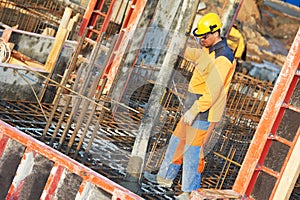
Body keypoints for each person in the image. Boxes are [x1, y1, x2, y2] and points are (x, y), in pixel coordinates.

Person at [144, 12, 236, 199]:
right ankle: (164, 179)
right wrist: (178, 46)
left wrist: (195, 110)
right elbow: (196, 55)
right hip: (193, 105)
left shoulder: (223, 58)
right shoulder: (208, 49)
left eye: (203, 37)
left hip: (204, 110)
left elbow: (213, 92)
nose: (200, 40)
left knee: (193, 152)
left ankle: (189, 192)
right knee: (177, 142)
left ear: (215, 33)